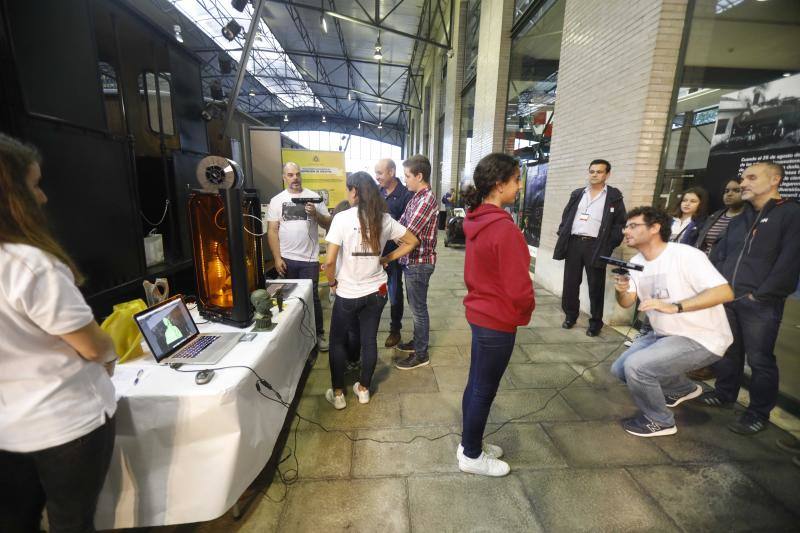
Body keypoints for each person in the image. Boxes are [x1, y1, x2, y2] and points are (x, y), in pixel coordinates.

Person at [0, 134, 119, 532]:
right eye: (34, 185)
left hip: (8, 426)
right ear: (10, 194)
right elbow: (91, 344)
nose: (43, 198)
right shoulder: (29, 265)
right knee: (72, 519)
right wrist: (110, 352)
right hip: (65, 424)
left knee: (16, 519)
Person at [610, 206, 734, 437]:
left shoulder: (685, 255)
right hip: (664, 335)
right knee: (619, 370)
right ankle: (682, 388)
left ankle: (660, 420)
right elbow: (627, 303)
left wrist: (675, 307)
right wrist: (622, 289)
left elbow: (724, 292)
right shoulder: (637, 261)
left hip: (701, 336)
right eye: (626, 226)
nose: (626, 231)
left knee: (637, 367)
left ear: (655, 228)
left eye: (633, 226)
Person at [702, 162, 800, 434]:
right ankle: (725, 393)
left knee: (759, 360)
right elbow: (721, 254)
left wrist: (760, 296)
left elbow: (789, 262)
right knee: (729, 351)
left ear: (775, 180)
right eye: (743, 177)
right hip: (728, 298)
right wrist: (718, 287)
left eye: (751, 178)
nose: (743, 183)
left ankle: (758, 413)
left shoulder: (790, 213)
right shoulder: (743, 216)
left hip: (760, 304)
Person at [458, 153, 535, 476]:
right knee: (482, 389)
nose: (519, 186)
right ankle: (472, 456)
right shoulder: (504, 229)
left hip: (481, 313)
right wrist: (525, 310)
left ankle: (468, 443)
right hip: (497, 319)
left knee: (476, 382)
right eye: (517, 180)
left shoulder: (478, 219)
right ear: (500, 185)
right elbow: (519, 289)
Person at [323, 172, 419, 409]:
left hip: (347, 293)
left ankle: (338, 394)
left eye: (349, 190)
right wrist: (387, 257)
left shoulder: (342, 218)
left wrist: (332, 283)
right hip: (376, 291)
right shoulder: (383, 219)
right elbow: (412, 241)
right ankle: (363, 389)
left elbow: (330, 260)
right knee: (369, 341)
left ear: (354, 192)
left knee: (336, 342)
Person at [553, 159, 626, 336]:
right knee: (570, 284)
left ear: (607, 174)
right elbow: (566, 216)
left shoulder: (614, 197)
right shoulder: (578, 194)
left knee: (595, 286)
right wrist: (563, 232)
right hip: (574, 244)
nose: (594, 174)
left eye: (599, 172)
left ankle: (595, 323)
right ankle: (570, 316)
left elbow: (619, 224)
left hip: (597, 246)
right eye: (592, 171)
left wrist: (609, 245)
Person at [267, 162, 332, 351]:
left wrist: (316, 214)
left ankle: (318, 334)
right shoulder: (277, 200)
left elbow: (328, 223)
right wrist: (277, 258)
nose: (295, 178)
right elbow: (272, 231)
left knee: (312, 297)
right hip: (286, 259)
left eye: (297, 174)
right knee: (288, 299)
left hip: (309, 259)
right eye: (290, 175)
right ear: (284, 177)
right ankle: (293, 337)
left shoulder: (314, 197)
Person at [395, 155, 440, 369]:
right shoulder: (415, 197)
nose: (405, 180)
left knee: (418, 309)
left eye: (407, 176)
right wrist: (398, 233)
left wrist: (398, 235)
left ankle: (421, 354)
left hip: (419, 262)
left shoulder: (426, 200)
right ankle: (417, 342)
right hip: (412, 260)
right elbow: (400, 224)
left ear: (419, 176)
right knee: (416, 308)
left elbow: (407, 234)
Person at [375, 158, 412, 348]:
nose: (377, 177)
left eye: (380, 173)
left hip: (396, 254)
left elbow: (408, 226)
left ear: (391, 172)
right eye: (376, 173)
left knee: (395, 292)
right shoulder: (378, 192)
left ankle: (395, 329)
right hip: (377, 253)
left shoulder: (405, 194)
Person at [694, 179, 745, 255]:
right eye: (726, 191)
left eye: (736, 190)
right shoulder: (715, 216)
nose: (729, 194)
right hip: (702, 262)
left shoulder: (748, 218)